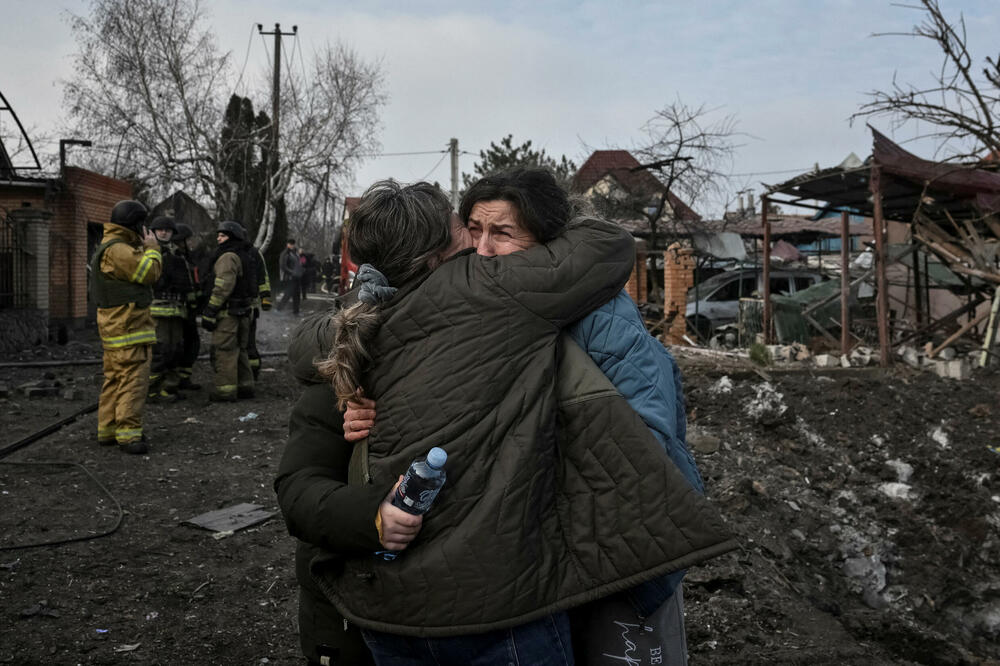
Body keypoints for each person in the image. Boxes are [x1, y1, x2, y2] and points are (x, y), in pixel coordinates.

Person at [275, 178, 735, 664]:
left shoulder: (582, 310)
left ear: (550, 243)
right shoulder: (453, 300)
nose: (483, 248)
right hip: (499, 597)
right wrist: (371, 515)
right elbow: (610, 243)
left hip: (602, 556)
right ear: (436, 253)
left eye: (504, 232)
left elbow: (646, 436)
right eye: (470, 229)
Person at [90, 199, 162, 455]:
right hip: (128, 329)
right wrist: (153, 249)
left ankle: (107, 430)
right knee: (133, 381)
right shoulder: (119, 249)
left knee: (115, 379)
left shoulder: (109, 246)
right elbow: (150, 273)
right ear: (135, 224)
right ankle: (129, 435)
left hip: (117, 330)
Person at [202, 221, 256, 402]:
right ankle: (245, 386)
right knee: (240, 351)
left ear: (232, 237)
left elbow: (223, 286)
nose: (218, 238)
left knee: (225, 351)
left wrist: (210, 310)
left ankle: (225, 391)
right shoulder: (245, 255)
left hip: (227, 315)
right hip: (242, 313)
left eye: (223, 235)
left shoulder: (227, 257)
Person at [147, 216, 188, 402]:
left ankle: (169, 388)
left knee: (175, 350)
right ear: (153, 232)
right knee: (159, 350)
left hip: (176, 310)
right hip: (156, 311)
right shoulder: (147, 252)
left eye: (168, 230)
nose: (164, 232)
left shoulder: (177, 255)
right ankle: (151, 390)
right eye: (160, 230)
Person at [172, 223, 202, 391]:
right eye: (188, 240)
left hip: (189, 309)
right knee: (178, 345)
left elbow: (194, 282)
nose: (191, 242)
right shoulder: (175, 257)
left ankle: (184, 378)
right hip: (178, 308)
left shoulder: (188, 257)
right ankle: (174, 379)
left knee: (192, 344)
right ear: (180, 241)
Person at [244, 237, 272, 380]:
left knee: (249, 341)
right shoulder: (229, 252)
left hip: (250, 306)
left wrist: (265, 298)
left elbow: (263, 277)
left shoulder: (253, 253)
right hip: (243, 306)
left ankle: (252, 371)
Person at [278, 238, 303, 315]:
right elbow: (283, 266)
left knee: (297, 295)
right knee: (288, 294)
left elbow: (298, 263)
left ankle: (296, 311)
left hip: (296, 277)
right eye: (290, 244)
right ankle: (279, 309)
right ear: (287, 244)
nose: (292, 245)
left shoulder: (295, 253)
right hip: (289, 277)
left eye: (293, 244)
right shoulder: (285, 253)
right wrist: (292, 272)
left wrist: (300, 271)